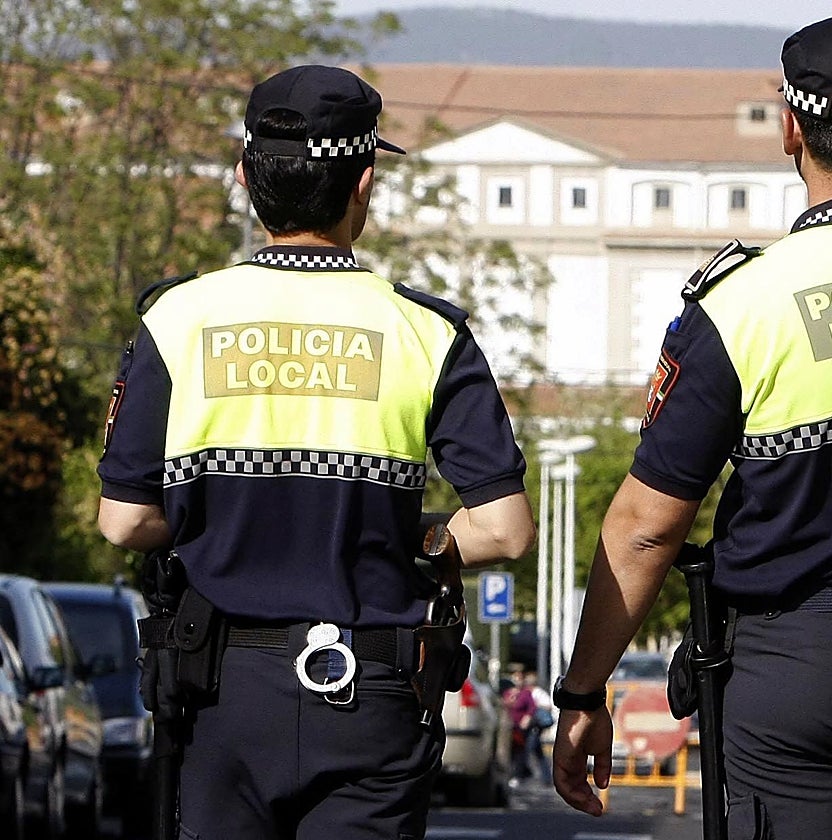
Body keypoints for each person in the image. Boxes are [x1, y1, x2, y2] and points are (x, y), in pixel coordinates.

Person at [552, 16, 832, 840]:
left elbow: (645, 532)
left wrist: (585, 692)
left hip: (795, 674)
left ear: (790, 129)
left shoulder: (739, 305)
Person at [96, 64, 536, 840]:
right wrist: (408, 536)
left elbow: (124, 522)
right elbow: (504, 530)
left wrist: (218, 524)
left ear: (244, 177)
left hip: (219, 694)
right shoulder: (427, 333)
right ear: (364, 183)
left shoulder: (178, 319)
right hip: (372, 695)